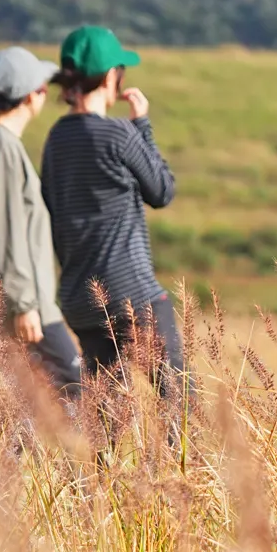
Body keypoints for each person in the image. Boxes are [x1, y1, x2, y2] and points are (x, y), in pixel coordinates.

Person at [39, 23, 183, 386]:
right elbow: (162, 191)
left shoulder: (56, 138)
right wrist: (143, 126)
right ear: (109, 77)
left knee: (107, 415)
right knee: (179, 402)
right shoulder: (118, 133)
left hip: (79, 300)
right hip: (130, 292)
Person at [0, 46, 83, 398]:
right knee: (75, 387)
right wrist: (24, 303)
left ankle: (9, 456)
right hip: (27, 308)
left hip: (15, 304)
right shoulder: (2, 149)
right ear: (32, 95)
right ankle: (75, 456)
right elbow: (6, 231)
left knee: (25, 407)